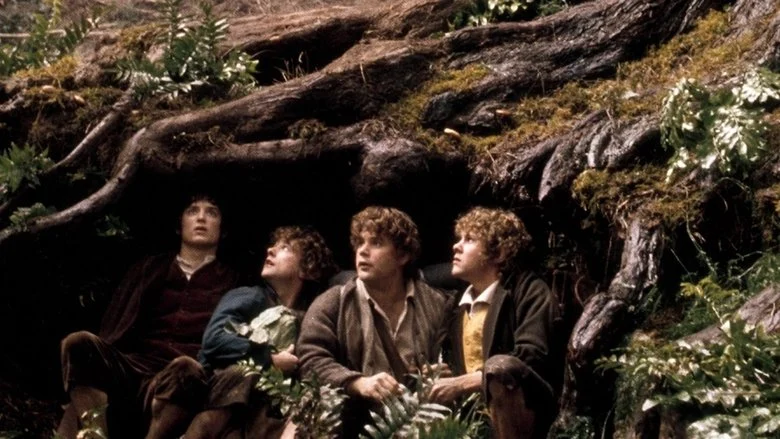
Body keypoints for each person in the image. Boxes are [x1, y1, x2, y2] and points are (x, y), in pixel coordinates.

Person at [57, 193, 242, 439]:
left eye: (212, 212)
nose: (201, 218)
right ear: (179, 225)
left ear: (223, 229)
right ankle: (96, 434)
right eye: (192, 211)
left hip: (184, 380)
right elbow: (115, 329)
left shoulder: (232, 282)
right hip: (134, 369)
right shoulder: (149, 268)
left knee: (186, 368)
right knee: (78, 343)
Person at [297, 206, 452, 438]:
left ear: (402, 255)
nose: (363, 251)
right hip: (353, 426)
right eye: (360, 243)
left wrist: (441, 372)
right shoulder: (334, 302)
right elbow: (311, 359)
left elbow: (453, 360)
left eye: (376, 243)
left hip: (422, 426)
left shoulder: (437, 304)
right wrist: (358, 383)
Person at [184, 226, 337, 439]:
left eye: (285, 248)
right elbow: (214, 339)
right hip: (220, 391)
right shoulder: (250, 297)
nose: (270, 250)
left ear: (307, 268)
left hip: (262, 408)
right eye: (273, 246)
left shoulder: (310, 316)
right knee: (243, 378)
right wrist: (269, 358)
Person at [429, 207, 559, 439]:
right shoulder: (456, 305)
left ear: (499, 253)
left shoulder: (529, 290)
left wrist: (463, 383)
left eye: (469, 239)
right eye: (459, 238)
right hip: (471, 421)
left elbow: (530, 356)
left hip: (523, 413)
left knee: (500, 366)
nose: (456, 246)